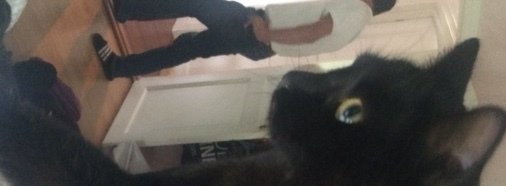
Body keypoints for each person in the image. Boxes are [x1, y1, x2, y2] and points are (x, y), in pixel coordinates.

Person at [92, 0, 397, 80]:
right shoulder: (358, 20)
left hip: (257, 32)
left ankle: (127, 7)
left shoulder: (357, 12)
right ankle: (118, 67)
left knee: (198, 4)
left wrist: (266, 32)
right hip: (259, 40)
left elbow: (316, 31)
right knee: (189, 47)